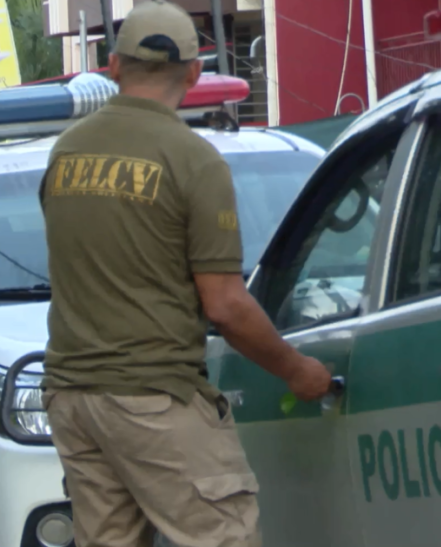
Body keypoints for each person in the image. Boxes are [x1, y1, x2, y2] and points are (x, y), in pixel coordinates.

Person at [37, 2, 332, 546]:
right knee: (223, 536)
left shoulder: (66, 152)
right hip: (154, 396)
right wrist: (296, 370)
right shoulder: (193, 160)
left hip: (73, 396)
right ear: (196, 73)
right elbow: (224, 305)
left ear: (113, 65)